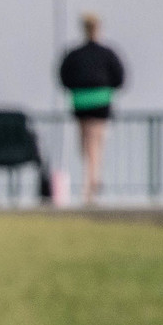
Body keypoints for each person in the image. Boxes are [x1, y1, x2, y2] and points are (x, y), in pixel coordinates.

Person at [57, 13, 126, 206]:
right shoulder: (107, 53)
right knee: (97, 140)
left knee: (86, 141)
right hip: (100, 101)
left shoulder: (74, 54)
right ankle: (93, 179)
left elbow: (63, 77)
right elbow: (120, 77)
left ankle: (90, 179)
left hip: (81, 102)